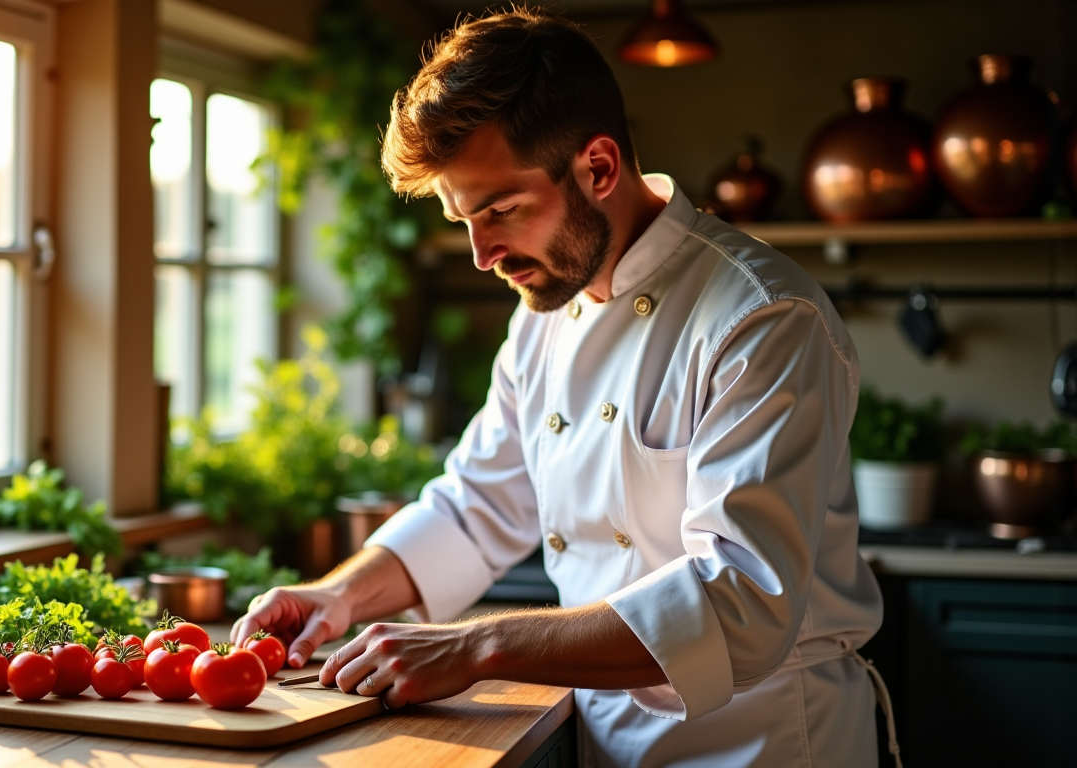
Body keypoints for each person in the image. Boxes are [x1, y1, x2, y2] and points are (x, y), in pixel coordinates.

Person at [233, 8, 892, 767]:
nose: (482, 254)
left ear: (599, 168)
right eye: (462, 220)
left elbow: (742, 603)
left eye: (501, 211)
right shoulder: (545, 314)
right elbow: (477, 506)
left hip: (761, 743)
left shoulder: (762, 318)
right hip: (603, 735)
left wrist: (479, 645)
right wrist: (339, 597)